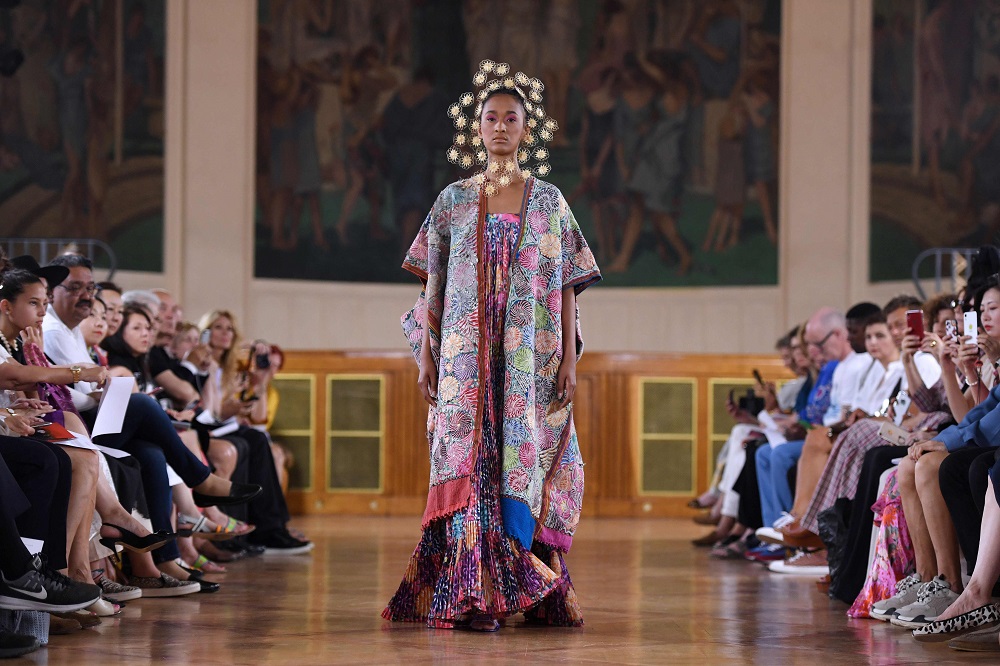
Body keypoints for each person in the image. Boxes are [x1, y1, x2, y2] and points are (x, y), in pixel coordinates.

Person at [383, 60, 601, 632]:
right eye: (490, 118)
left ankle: (523, 587)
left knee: (519, 462)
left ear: (527, 129)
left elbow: (569, 283)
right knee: (468, 462)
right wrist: (428, 354)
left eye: (511, 118)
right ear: (475, 128)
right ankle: (471, 593)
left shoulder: (550, 201)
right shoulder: (453, 199)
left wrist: (572, 361)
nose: (500, 126)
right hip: (463, 358)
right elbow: (429, 280)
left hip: (531, 359)